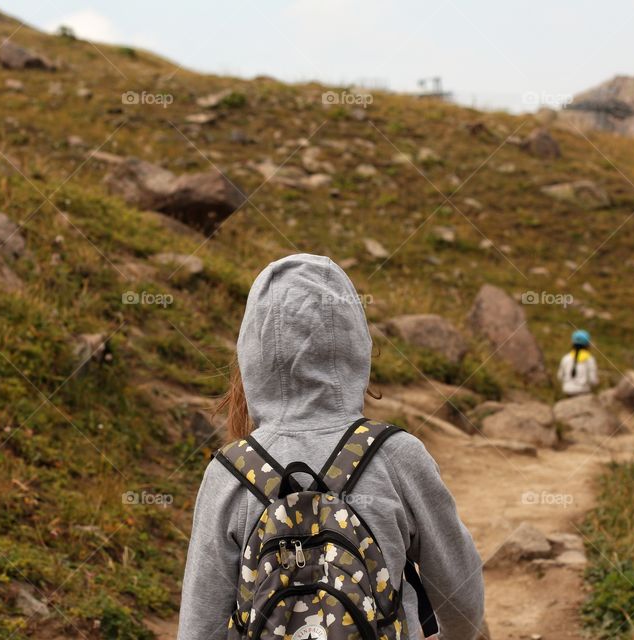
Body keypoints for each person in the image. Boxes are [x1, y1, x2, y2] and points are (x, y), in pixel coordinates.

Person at [178, 254, 485, 640]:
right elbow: (461, 593)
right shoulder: (397, 455)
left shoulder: (229, 472)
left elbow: (199, 624)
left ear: (252, 353)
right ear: (356, 343)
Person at [557, 329, 599, 396]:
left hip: (567, 390)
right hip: (583, 391)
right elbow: (593, 380)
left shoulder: (565, 358)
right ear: (588, 344)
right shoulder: (590, 359)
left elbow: (560, 377)